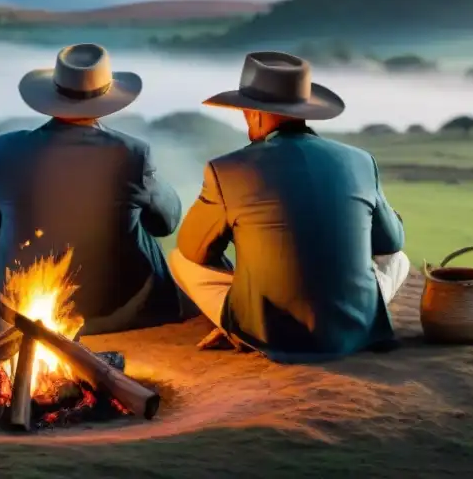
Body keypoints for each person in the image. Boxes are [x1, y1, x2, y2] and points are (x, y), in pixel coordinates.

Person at [168, 51, 410, 362]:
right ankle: (354, 315)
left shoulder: (226, 169)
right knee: (398, 260)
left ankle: (240, 327)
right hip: (354, 327)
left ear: (254, 113)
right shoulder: (361, 160)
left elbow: (193, 250)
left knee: (179, 260)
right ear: (304, 110)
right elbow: (391, 243)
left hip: (269, 332)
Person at [0, 43, 186, 335]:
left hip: (23, 304)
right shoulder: (133, 153)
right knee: (140, 211)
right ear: (107, 96)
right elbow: (167, 221)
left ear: (53, 94)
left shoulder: (5, 149)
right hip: (117, 310)